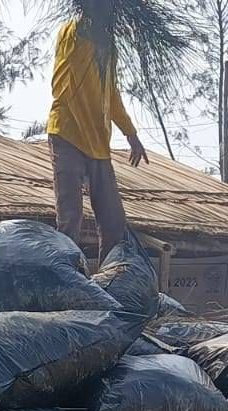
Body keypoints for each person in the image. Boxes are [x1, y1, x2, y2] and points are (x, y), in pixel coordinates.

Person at [46, 1, 147, 261]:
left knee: (113, 221)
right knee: (70, 217)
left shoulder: (108, 47)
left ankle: (109, 279)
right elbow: (62, 78)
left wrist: (131, 134)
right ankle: (65, 274)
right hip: (68, 133)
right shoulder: (73, 32)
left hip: (99, 144)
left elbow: (111, 95)